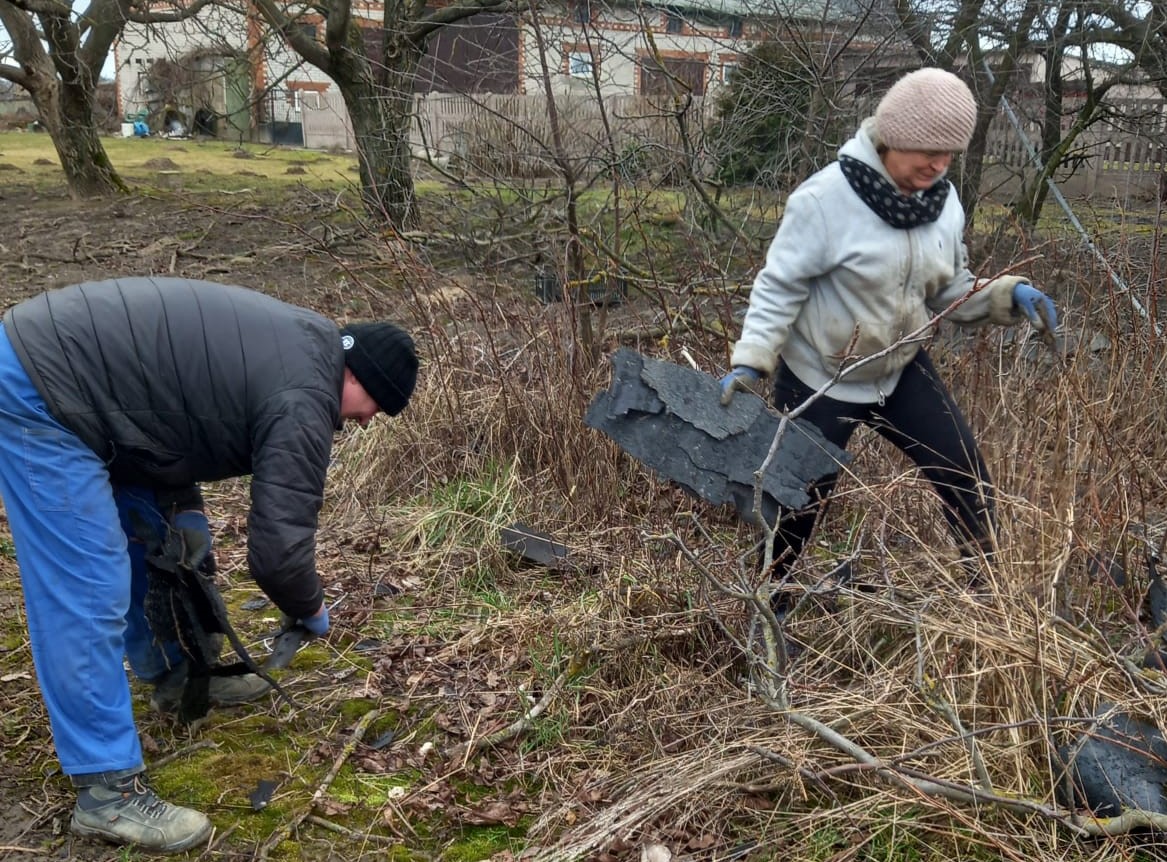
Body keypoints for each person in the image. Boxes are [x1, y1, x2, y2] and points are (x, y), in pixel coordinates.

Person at [0, 277, 419, 853]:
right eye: (377, 408)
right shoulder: (305, 394)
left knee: (170, 545)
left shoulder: (298, 346)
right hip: (44, 389)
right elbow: (277, 553)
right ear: (357, 377)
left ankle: (176, 681)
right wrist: (312, 608)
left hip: (95, 391)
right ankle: (106, 793)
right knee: (86, 588)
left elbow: (176, 407)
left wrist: (185, 514)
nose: (368, 422)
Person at [718, 67, 1057, 603]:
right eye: (929, 150)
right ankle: (769, 602)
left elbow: (949, 288)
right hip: (820, 377)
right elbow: (778, 287)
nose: (940, 165)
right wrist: (752, 358)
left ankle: (990, 600)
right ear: (894, 136)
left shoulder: (942, 203)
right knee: (798, 502)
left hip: (900, 370)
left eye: (950, 154)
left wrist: (1005, 295)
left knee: (963, 469)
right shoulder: (823, 201)